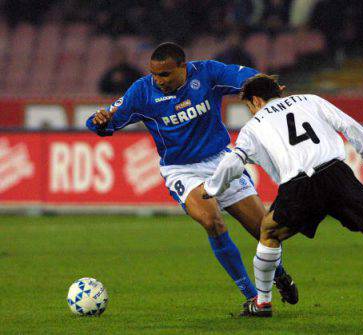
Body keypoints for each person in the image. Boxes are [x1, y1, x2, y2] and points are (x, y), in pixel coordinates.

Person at [202, 74, 363, 319]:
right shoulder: (311, 100)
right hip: (337, 175)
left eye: (249, 105)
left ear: (257, 101)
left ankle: (263, 303)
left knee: (269, 232)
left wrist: (212, 188)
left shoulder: (253, 126)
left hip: (300, 185)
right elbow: (350, 126)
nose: (250, 111)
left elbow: (235, 160)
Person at [86, 43, 298, 306]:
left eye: (164, 74)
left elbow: (247, 78)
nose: (158, 80)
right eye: (154, 74)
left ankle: (279, 275)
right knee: (213, 222)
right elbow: (106, 120)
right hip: (181, 170)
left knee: (264, 230)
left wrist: (270, 91)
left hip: (221, 160)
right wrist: (100, 121)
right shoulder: (142, 91)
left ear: (182, 68)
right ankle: (252, 295)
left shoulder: (207, 74)